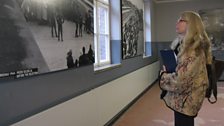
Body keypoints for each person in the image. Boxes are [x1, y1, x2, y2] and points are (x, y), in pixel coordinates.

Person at [159, 11, 212, 126]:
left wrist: (163, 75)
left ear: (191, 24)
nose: (177, 22)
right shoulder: (190, 46)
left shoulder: (191, 50)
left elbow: (180, 82)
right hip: (187, 98)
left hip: (186, 100)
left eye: (181, 20)